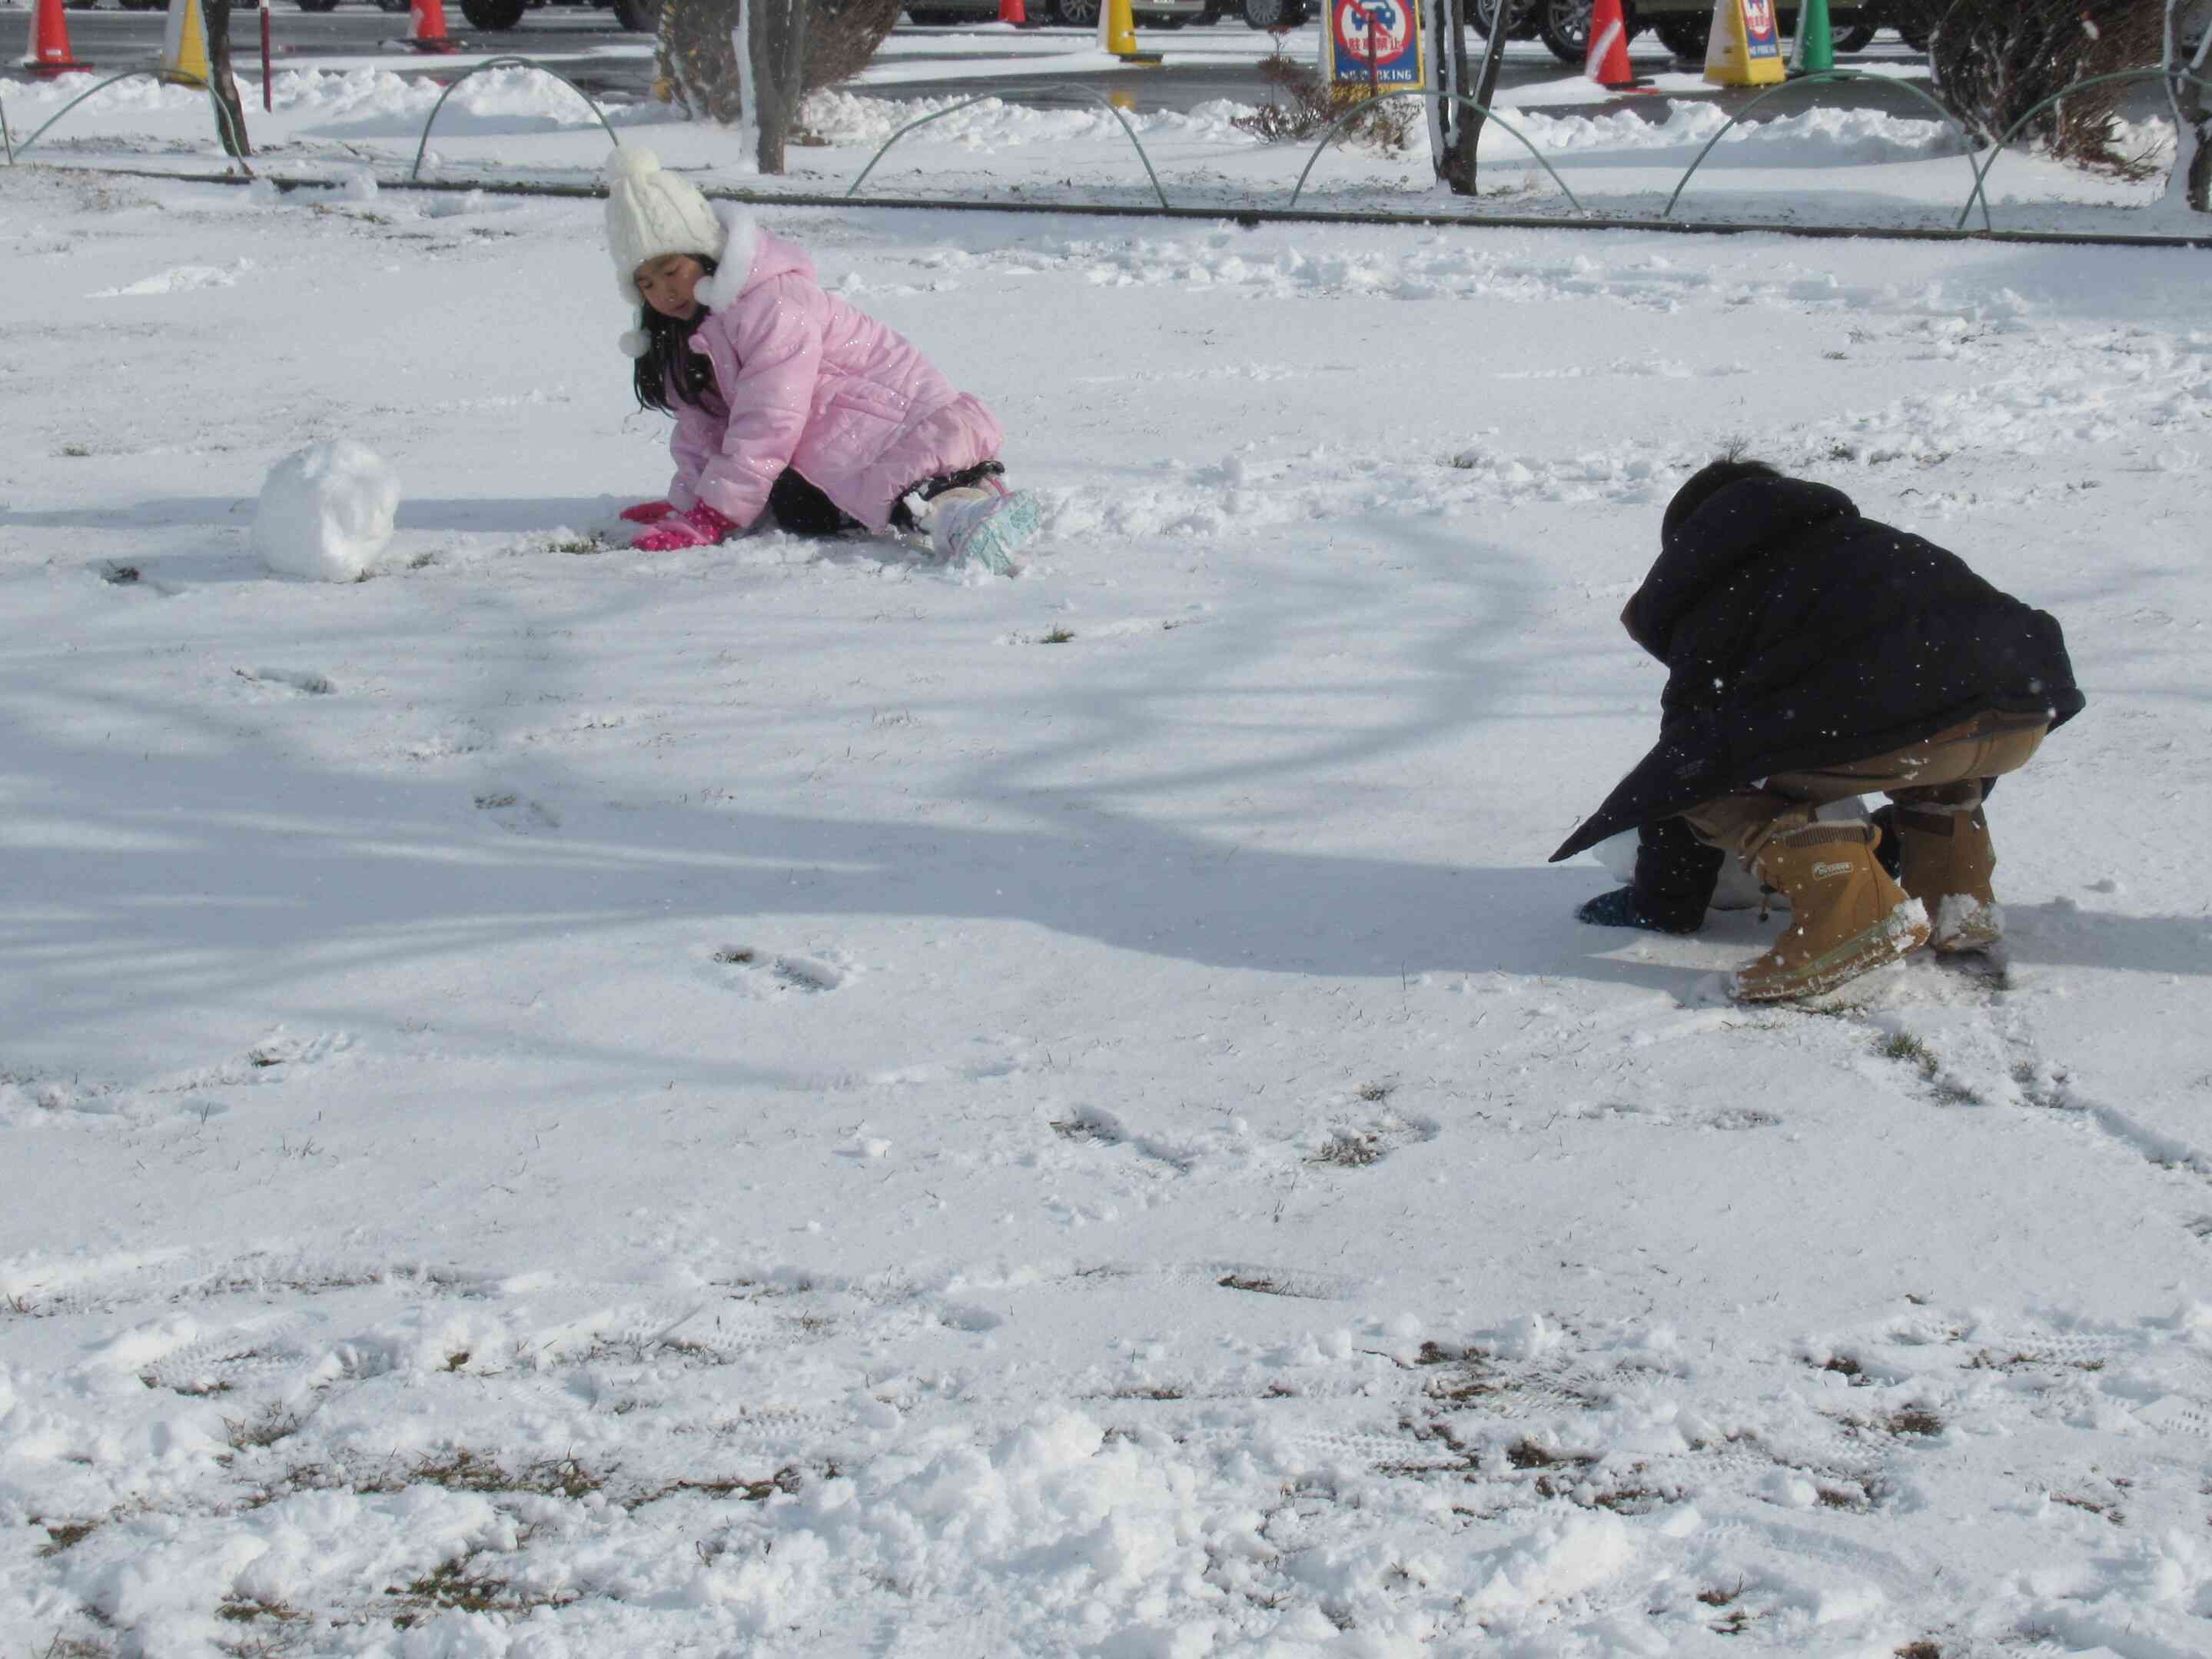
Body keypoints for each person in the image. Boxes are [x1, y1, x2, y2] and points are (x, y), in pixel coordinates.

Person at [1553, 457, 2084, 1002]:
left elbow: (1689, 764)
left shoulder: (1727, 592)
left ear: (1693, 543)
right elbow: (1954, 674)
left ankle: (1852, 912)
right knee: (1927, 731)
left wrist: (1663, 903)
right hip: (2024, 705)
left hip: (1925, 715)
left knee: (1721, 781)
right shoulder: (1858, 546)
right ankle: (1957, 899)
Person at [603, 148, 1040, 572]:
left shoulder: (771, 306)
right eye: (646, 283)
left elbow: (769, 417)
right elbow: (705, 428)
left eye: (671, 271)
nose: (665, 293)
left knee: (903, 491)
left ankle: (964, 515)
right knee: (799, 510)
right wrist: (694, 502)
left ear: (704, 253)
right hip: (829, 437)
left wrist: (716, 515)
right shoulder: (690, 333)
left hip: (896, 421)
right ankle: (969, 496)